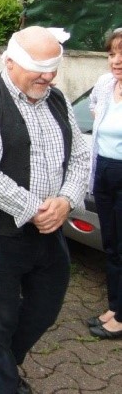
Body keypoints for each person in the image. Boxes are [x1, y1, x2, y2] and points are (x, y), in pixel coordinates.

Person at [0, 26, 90, 393]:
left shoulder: (56, 98)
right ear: (10, 62)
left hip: (48, 227)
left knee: (46, 305)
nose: (48, 76)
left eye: (53, 67)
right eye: (39, 67)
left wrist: (65, 200)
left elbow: (79, 155)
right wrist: (35, 209)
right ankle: (1, 384)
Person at [86, 27, 122, 340]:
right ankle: (115, 305)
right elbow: (93, 106)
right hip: (103, 171)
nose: (116, 60)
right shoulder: (105, 83)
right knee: (111, 246)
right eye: (112, 53)